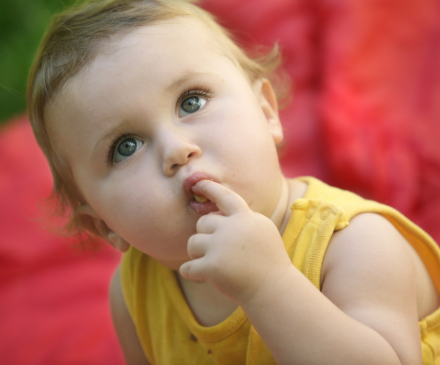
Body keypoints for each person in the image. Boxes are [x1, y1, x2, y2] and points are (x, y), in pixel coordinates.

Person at [27, 0, 440, 364]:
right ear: (104, 225)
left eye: (191, 101)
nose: (176, 149)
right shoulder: (134, 294)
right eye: (125, 146)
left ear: (266, 112)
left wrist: (268, 285)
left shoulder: (355, 242)